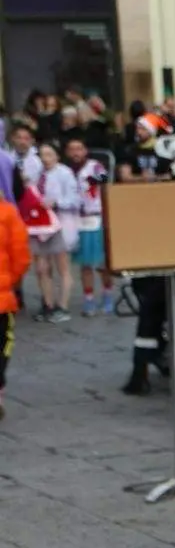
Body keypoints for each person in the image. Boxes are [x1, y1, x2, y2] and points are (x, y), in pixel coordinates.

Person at [65, 138, 114, 316]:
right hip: (77, 220)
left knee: (102, 262)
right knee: (85, 264)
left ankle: (108, 295)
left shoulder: (94, 166)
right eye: (72, 149)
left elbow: (105, 179)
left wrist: (90, 182)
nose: (76, 152)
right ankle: (89, 299)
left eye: (79, 148)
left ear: (85, 151)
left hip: (96, 218)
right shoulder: (65, 170)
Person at [34, 143, 77, 322]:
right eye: (42, 155)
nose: (45, 159)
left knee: (62, 267)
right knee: (42, 268)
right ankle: (48, 304)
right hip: (42, 226)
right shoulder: (38, 174)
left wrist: (56, 203)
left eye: (49, 154)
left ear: (57, 156)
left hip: (60, 223)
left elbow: (74, 199)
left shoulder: (65, 173)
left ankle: (63, 306)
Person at [0, 173, 31, 418]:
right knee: (2, 346)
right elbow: (20, 255)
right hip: (2, 298)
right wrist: (9, 281)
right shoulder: (8, 213)